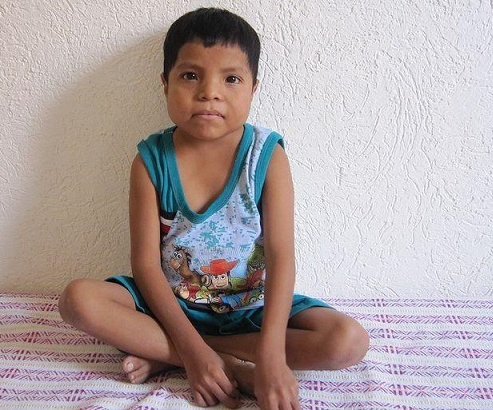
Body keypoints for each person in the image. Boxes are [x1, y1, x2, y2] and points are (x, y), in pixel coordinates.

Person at [58, 7, 369, 410]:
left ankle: (173, 353)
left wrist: (273, 356)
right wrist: (194, 353)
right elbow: (146, 266)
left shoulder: (266, 157)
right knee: (77, 300)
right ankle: (226, 365)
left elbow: (280, 255)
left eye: (231, 78)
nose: (210, 92)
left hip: (249, 309)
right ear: (165, 83)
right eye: (190, 75)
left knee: (348, 341)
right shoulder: (151, 161)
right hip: (170, 306)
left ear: (253, 88)